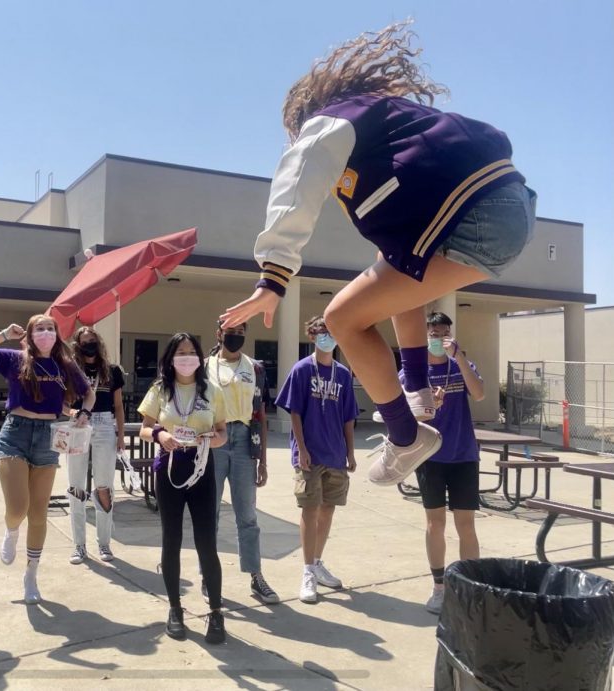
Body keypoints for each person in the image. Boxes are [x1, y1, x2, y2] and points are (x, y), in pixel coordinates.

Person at [221, 21, 536, 487]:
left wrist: (273, 275)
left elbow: (299, 177)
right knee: (393, 275)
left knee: (342, 319)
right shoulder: (393, 130)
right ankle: (414, 390)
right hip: (509, 210)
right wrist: (413, 376)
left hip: (475, 215)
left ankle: (405, 436)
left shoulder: (334, 119)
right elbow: (400, 270)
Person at [0, 315, 93, 604]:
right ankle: (11, 530)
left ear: (57, 334)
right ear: (29, 333)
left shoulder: (65, 364)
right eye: (39, 328)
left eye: (50, 328)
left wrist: (83, 413)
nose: (46, 332)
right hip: (16, 431)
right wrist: (4, 333)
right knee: (18, 507)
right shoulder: (16, 358)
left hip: (48, 436)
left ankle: (31, 576)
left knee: (38, 514)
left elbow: (87, 394)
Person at [138, 333, 228, 644]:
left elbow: (222, 432)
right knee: (171, 538)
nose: (187, 358)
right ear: (171, 358)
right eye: (181, 353)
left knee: (206, 541)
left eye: (192, 352)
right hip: (170, 467)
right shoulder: (160, 390)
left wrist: (215, 440)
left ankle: (216, 612)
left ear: (200, 357)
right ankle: (175, 608)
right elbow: (145, 429)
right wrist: (160, 435)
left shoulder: (211, 390)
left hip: (202, 467)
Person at [275, 316, 358, 603]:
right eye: (322, 332)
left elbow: (349, 417)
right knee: (309, 510)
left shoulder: (344, 375)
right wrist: (301, 448)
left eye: (332, 332)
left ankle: (319, 562)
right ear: (312, 336)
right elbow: (294, 411)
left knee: (328, 510)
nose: (327, 337)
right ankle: (308, 571)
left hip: (335, 453)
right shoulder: (301, 370)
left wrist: (350, 451)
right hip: (310, 454)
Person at [204, 320, 279, 604]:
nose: (235, 337)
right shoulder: (205, 367)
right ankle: (207, 576)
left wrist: (263, 461)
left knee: (247, 515)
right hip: (215, 440)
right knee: (209, 513)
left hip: (245, 440)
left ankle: (255, 576)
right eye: (230, 332)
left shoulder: (255, 368)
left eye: (240, 333)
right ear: (219, 333)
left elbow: (261, 413)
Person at [414, 312, 484, 614]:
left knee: (465, 525)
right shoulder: (415, 371)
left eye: (443, 333)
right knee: (435, 523)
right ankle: (439, 586)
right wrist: (431, 406)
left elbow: (479, 394)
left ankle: (470, 587)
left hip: (464, 455)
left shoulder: (461, 365)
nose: (438, 338)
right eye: (432, 333)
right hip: (430, 457)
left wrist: (460, 358)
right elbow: (407, 416)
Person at [66, 326, 126, 564]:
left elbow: (119, 406)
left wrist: (121, 436)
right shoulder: (71, 370)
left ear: (98, 342)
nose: (89, 344)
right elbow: (61, 402)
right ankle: (79, 545)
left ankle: (104, 543)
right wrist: (73, 412)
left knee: (104, 485)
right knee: (76, 486)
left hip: (104, 423)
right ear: (77, 345)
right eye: (84, 341)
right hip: (78, 425)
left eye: (92, 340)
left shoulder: (112, 371)